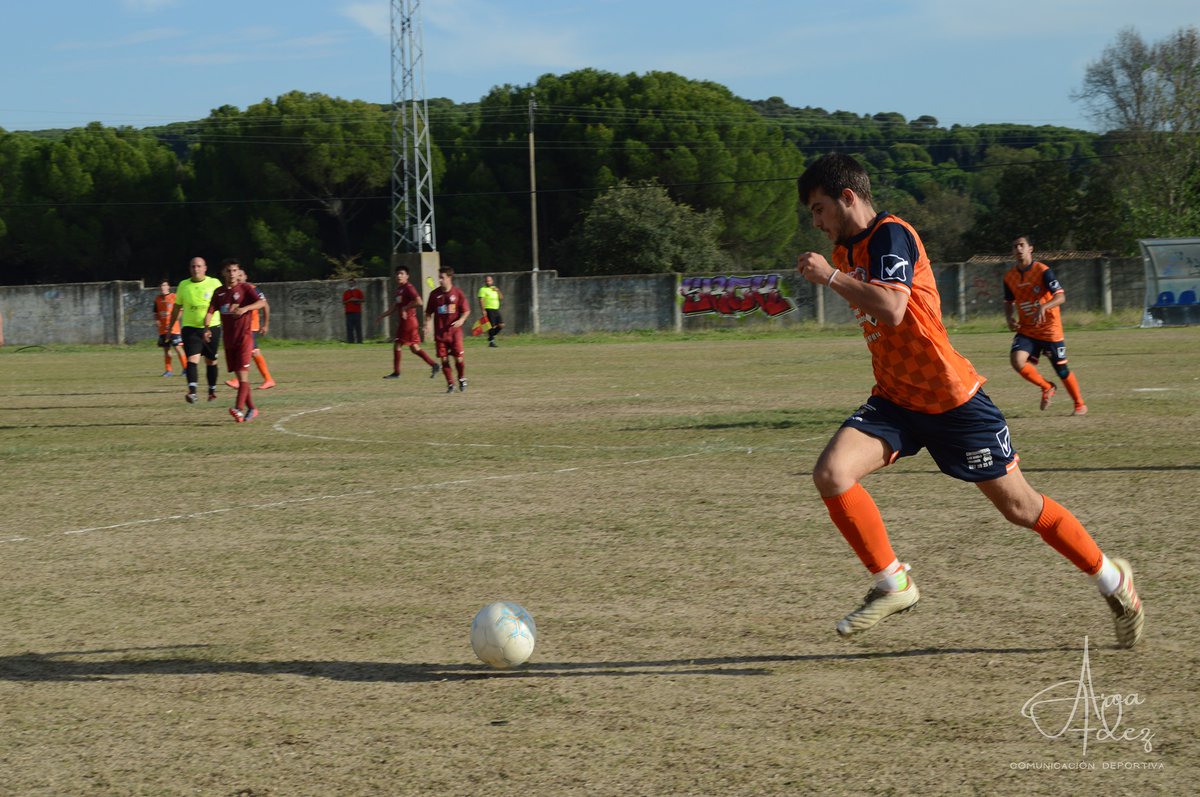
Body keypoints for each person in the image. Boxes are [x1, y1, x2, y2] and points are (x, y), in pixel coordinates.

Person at [793, 153, 1142, 648]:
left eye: (819, 208)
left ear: (848, 197)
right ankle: (894, 583)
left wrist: (830, 277)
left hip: (953, 401)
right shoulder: (849, 251)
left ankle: (1111, 578)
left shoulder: (891, 234)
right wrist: (836, 272)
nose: (817, 221)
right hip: (895, 400)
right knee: (831, 473)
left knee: (1021, 508)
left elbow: (893, 308)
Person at [1004, 235, 1087, 415]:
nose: (1018, 249)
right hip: (1027, 329)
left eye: (1022, 245)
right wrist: (1009, 318)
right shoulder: (1009, 277)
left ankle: (1079, 404)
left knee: (1062, 370)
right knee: (1016, 360)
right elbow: (1008, 301)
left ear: (1030, 248)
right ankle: (1046, 387)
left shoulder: (1043, 271)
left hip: (1050, 330)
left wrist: (1044, 306)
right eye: (1015, 246)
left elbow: (1060, 296)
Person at [203, 259, 266, 422]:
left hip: (245, 338)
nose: (232, 274)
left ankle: (238, 409)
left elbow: (262, 302)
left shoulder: (245, 289)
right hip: (229, 340)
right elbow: (210, 310)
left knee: (243, 376)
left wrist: (245, 308)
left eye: (235, 270)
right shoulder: (219, 293)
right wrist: (206, 328)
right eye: (228, 271)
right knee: (240, 377)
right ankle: (252, 408)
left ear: (239, 272)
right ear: (223, 273)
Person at [166, 257, 223, 403]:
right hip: (190, 329)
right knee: (192, 359)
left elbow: (224, 303)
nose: (196, 269)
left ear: (205, 268)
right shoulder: (183, 285)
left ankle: (212, 391)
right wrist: (170, 327)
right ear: (189, 269)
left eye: (198, 266)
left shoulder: (215, 283)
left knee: (211, 361)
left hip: (212, 327)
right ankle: (192, 392)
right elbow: (176, 308)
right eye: (193, 266)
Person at [378, 266, 441, 380]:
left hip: (409, 322)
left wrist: (405, 308)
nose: (399, 276)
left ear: (407, 276)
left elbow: (419, 302)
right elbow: (395, 307)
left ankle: (396, 373)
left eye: (402, 273)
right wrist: (383, 315)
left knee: (397, 344)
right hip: (407, 322)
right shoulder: (399, 290)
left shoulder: (409, 288)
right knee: (414, 348)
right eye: (397, 274)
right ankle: (434, 365)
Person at [223, 264, 275, 390]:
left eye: (241, 275)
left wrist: (265, 324)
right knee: (252, 352)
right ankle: (267, 379)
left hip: (251, 326)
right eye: (237, 275)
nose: (238, 277)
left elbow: (265, 306)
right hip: (240, 327)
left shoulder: (252, 289)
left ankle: (240, 379)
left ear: (245, 276)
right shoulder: (234, 290)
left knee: (248, 351)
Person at [425, 267, 470, 393]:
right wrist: (427, 324)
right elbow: (428, 312)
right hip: (440, 334)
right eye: (439, 277)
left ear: (449, 278)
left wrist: (461, 320)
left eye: (442, 278)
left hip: (455, 333)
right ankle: (450, 384)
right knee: (444, 359)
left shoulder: (458, 293)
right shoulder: (434, 295)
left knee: (459, 359)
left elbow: (466, 310)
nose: (439, 280)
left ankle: (461, 378)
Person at [153, 280, 187, 376]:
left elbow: (180, 310)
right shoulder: (157, 299)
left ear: (168, 286)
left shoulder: (174, 297)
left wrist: (174, 321)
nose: (162, 287)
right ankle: (168, 370)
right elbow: (155, 313)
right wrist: (157, 321)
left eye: (164, 285)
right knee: (166, 349)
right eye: (161, 285)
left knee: (178, 348)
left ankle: (186, 369)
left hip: (174, 329)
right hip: (163, 329)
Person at [478, 274, 505, 347]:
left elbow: (501, 297)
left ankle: (491, 336)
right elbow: (481, 300)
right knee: (492, 326)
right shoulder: (483, 289)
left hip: (496, 309)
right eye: (487, 281)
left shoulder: (494, 288)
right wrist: (483, 310)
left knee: (501, 325)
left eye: (489, 281)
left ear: (492, 281)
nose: (488, 282)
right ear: (485, 282)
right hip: (489, 309)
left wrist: (498, 291)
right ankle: (491, 342)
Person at [342, 278, 365, 343]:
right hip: (348, 312)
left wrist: (356, 300)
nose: (350, 284)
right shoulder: (346, 292)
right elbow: (343, 302)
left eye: (352, 283)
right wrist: (350, 300)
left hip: (357, 312)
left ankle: (359, 341)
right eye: (349, 283)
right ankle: (350, 341)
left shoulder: (358, 291)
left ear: (354, 283)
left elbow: (363, 300)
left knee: (358, 327)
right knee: (349, 328)